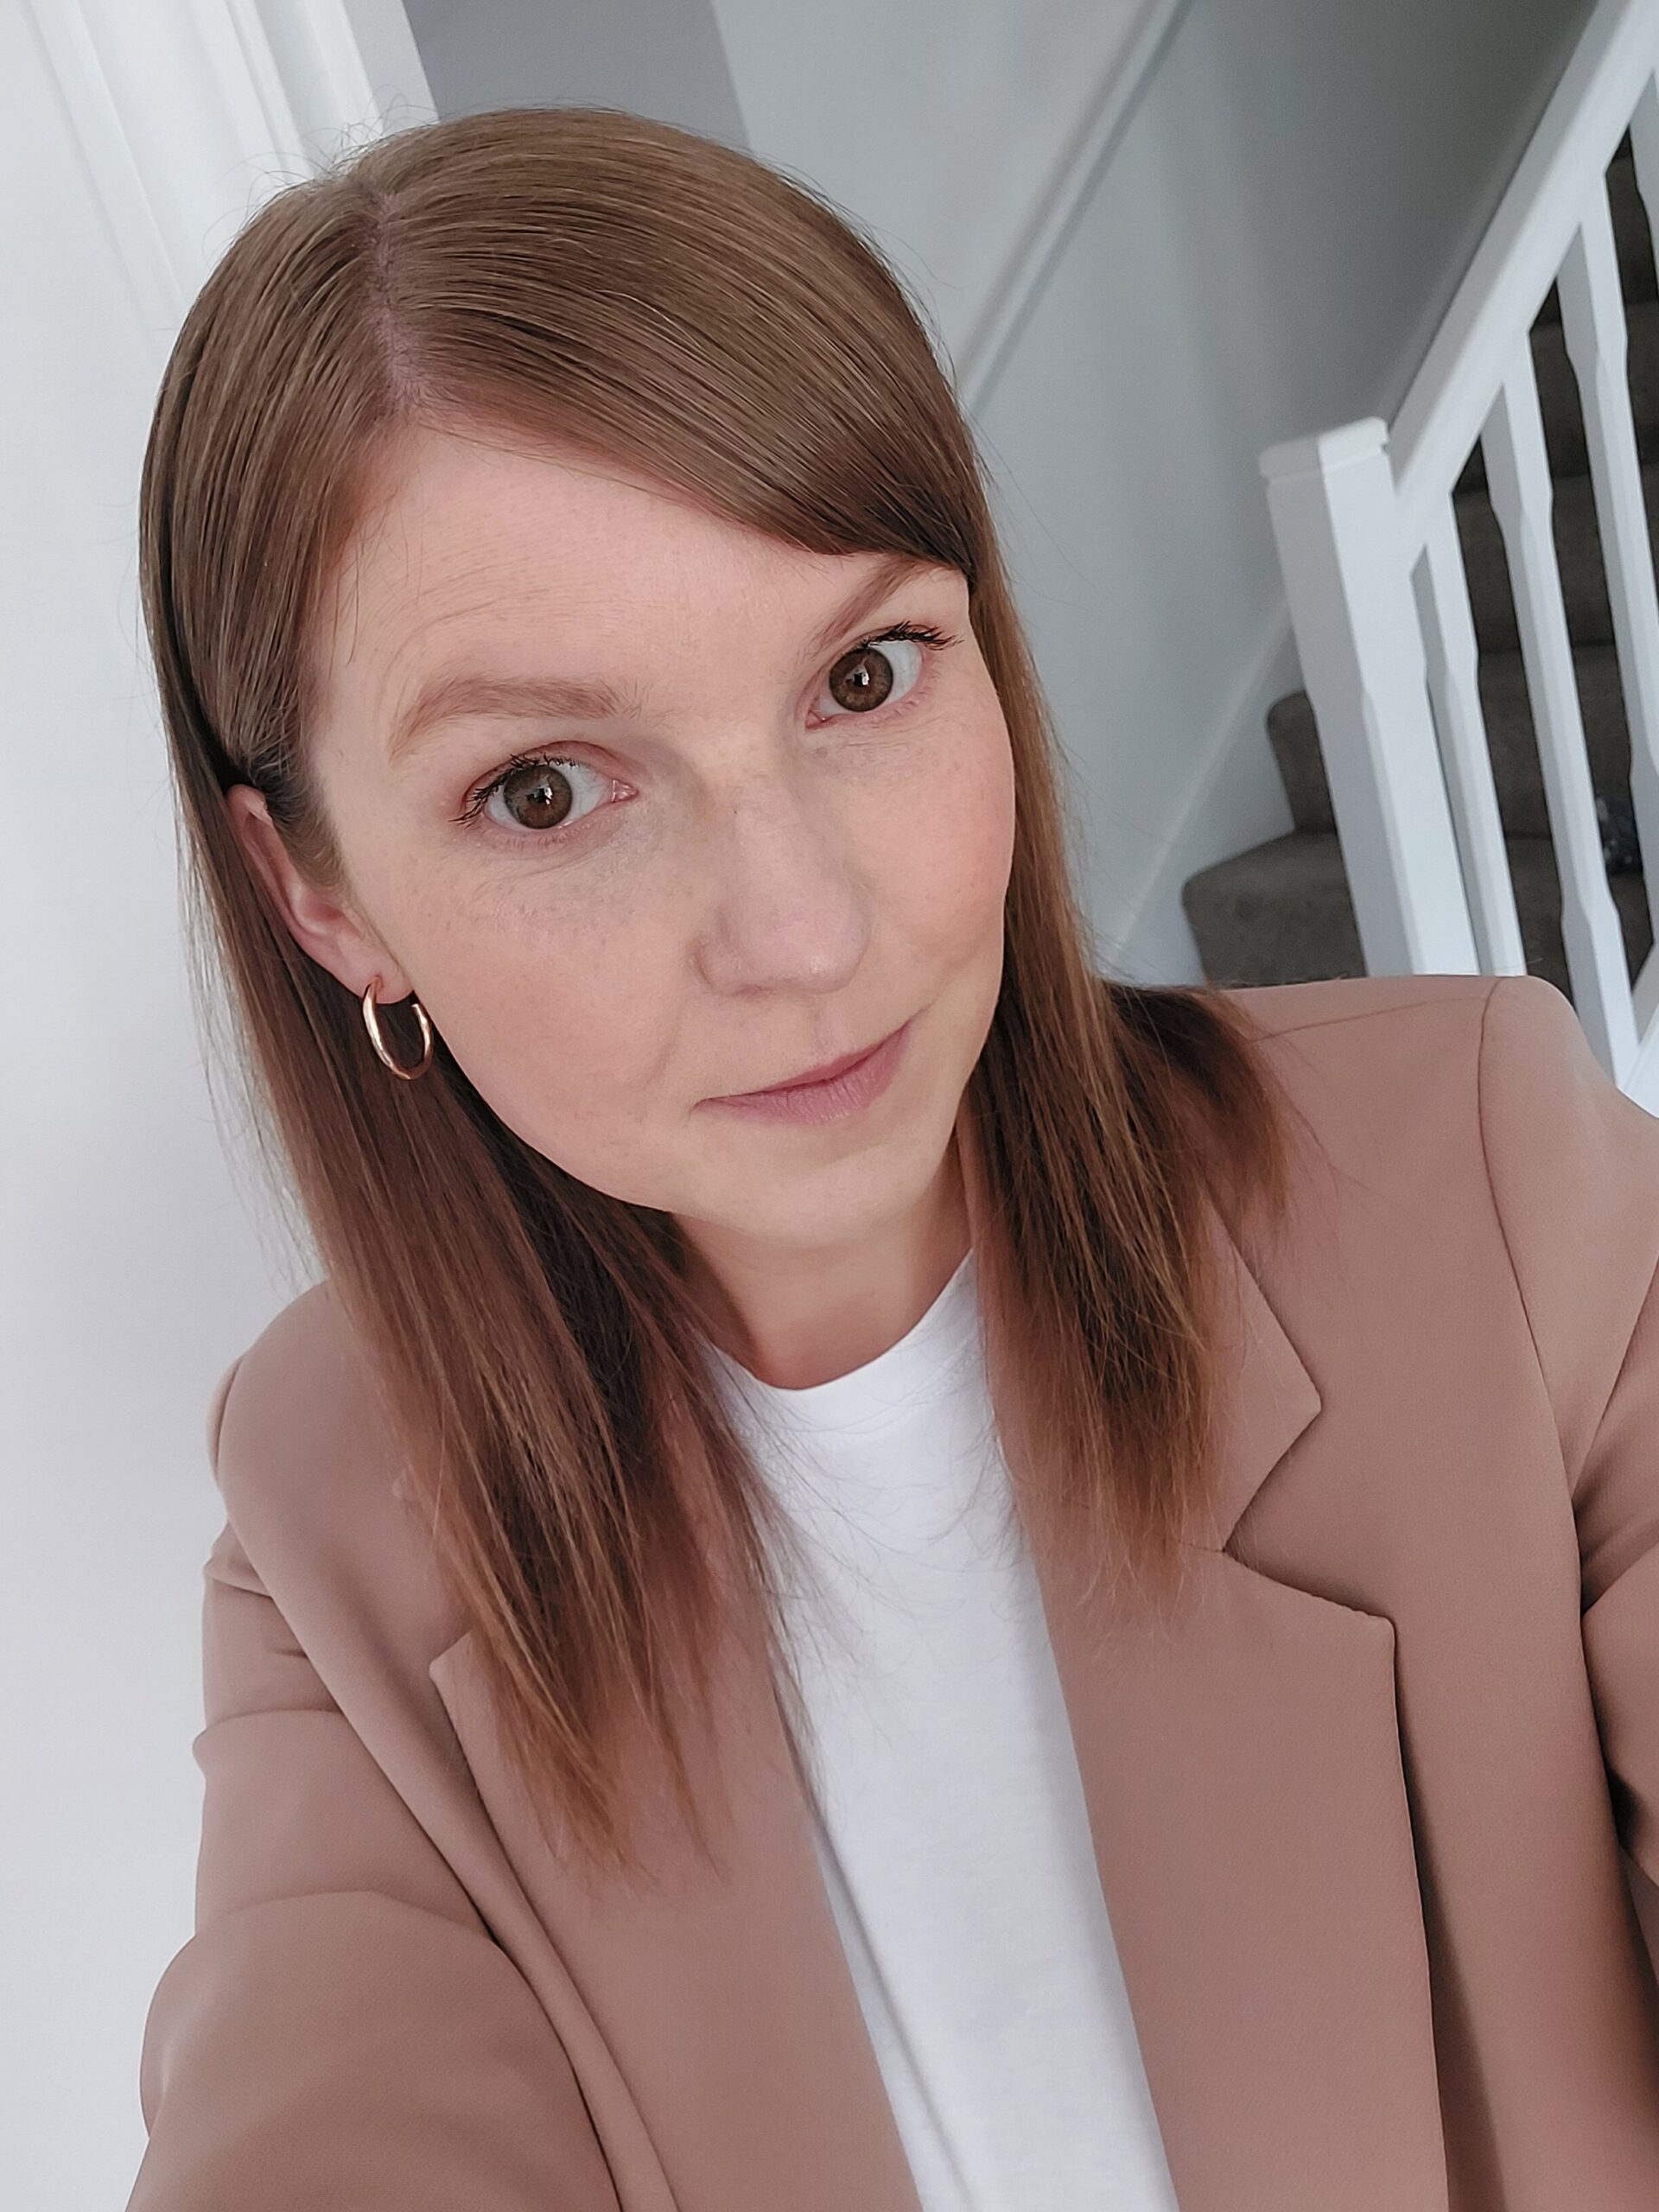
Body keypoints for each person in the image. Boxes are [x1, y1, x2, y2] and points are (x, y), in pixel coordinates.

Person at [124, 104, 1659, 2212]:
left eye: (862, 674)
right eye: (548, 789)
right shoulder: (330, 1522)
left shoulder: (1488, 1187)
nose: (807, 933)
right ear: (319, 895)